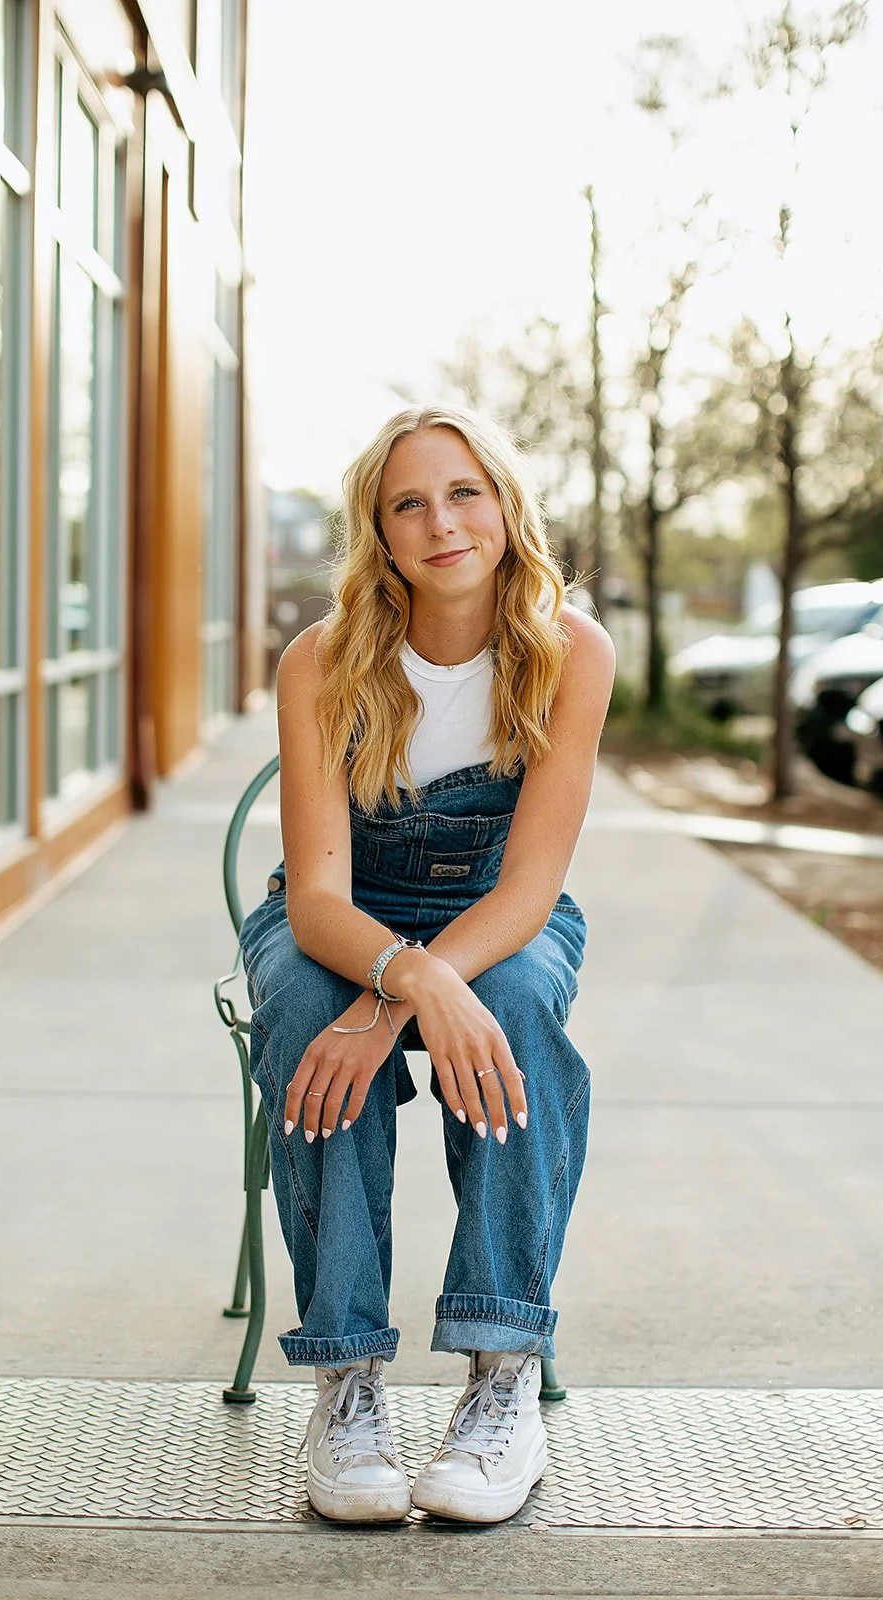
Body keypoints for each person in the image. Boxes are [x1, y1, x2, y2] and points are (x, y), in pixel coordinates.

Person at [239, 405, 615, 1524]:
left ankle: (501, 1377)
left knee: (511, 1004)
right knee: (313, 1012)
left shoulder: (569, 650)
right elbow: (314, 898)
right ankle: (345, 1382)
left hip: (497, 918)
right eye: (408, 501)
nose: (440, 520)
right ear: (379, 531)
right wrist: (395, 983)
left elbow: (528, 891)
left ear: (502, 506)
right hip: (345, 921)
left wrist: (429, 984)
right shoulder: (321, 660)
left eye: (462, 492)